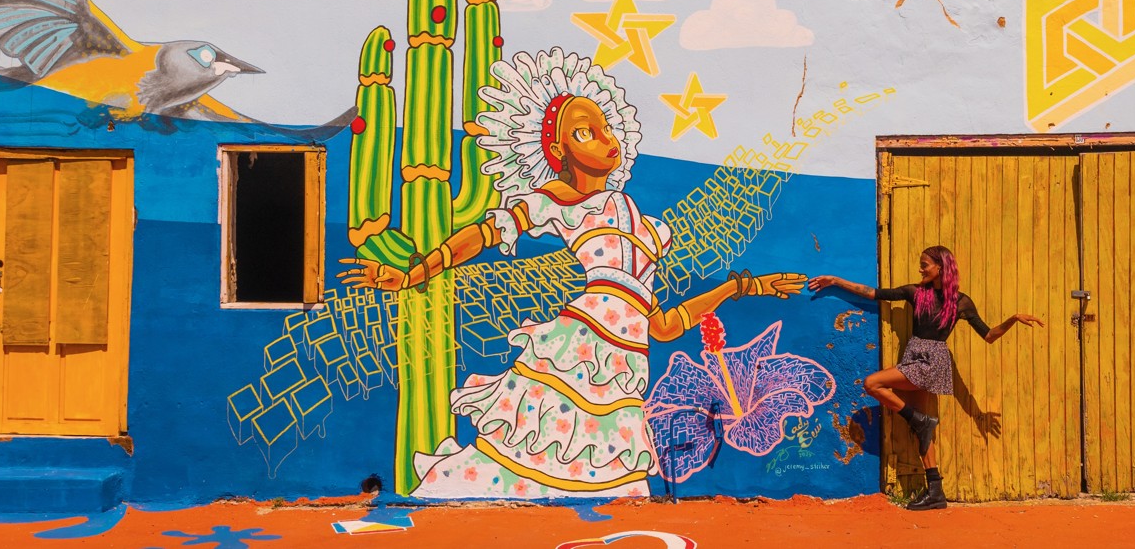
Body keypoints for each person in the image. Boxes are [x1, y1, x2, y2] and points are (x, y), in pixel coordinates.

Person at [341, 48, 805, 499]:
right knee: (532, 455)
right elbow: (484, 234)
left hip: (626, 363)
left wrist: (742, 286)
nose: (606, 139)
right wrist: (415, 273)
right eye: (586, 132)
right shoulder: (556, 200)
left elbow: (663, 325)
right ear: (557, 148)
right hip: (578, 351)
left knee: (602, 476)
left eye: (606, 128)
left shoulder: (643, 225)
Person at [807, 245, 1044, 511]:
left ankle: (916, 419)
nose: (920, 269)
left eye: (925, 265)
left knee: (872, 384)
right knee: (924, 431)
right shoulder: (916, 293)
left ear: (940, 267)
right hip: (915, 358)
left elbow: (988, 335)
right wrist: (835, 281)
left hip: (930, 362)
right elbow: (875, 293)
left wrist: (1013, 319)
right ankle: (935, 491)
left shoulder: (961, 302)